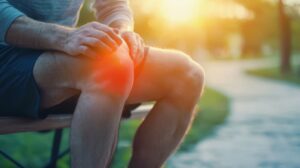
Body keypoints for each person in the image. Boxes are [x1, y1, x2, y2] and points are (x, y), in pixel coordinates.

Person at [0, 0, 205, 167]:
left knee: (187, 75)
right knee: (107, 69)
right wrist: (62, 36)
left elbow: (114, 5)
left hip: (58, 59)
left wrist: (120, 32)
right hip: (6, 58)